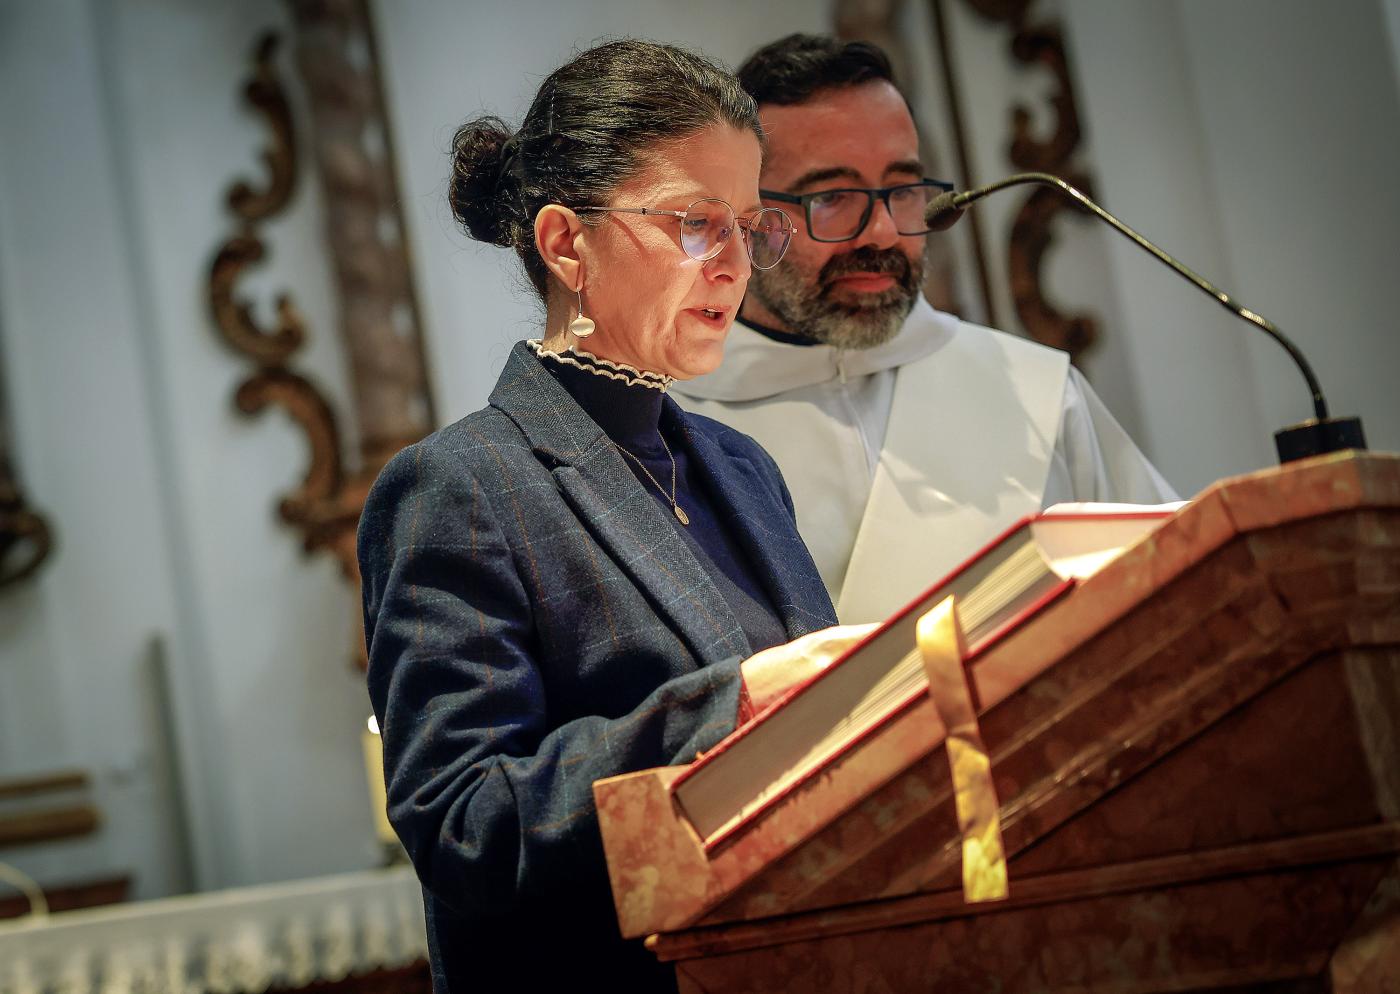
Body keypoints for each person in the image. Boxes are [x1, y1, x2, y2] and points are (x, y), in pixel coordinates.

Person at [357, 40, 870, 992]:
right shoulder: (459, 486)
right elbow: (465, 825)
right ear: (565, 243)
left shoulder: (742, 470)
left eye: (750, 229)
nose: (733, 267)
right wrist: (740, 707)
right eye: (692, 223)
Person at [673, 34, 1178, 625]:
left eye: (904, 190)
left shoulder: (1034, 393)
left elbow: (1176, 589)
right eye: (833, 196)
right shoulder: (665, 430)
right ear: (745, 217)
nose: (883, 233)